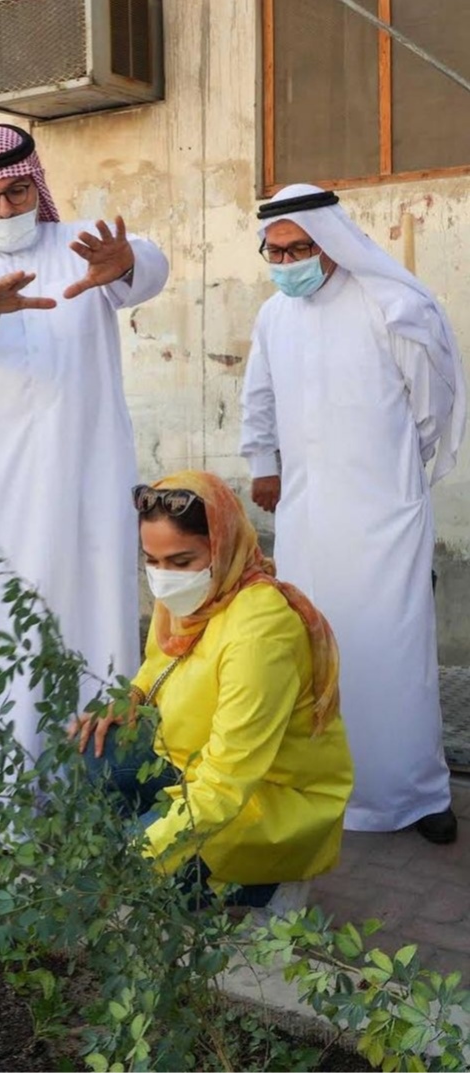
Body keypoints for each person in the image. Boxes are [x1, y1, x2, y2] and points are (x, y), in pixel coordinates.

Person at [0, 123, 169, 789]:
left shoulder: (79, 244)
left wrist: (129, 266)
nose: (2, 209)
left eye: (16, 191)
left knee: (93, 627)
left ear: (37, 185)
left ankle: (93, 793)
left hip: (85, 481)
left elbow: (143, 261)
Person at [240, 184, 466, 843]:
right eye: (272, 251)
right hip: (309, 517)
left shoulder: (393, 306)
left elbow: (434, 408)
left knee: (394, 651)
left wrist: (391, 473)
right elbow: (259, 396)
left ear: (330, 243)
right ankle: (327, 786)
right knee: (319, 649)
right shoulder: (274, 317)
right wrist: (263, 463)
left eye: (297, 249)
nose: (284, 262)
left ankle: (415, 793)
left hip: (384, 514)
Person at [73, 472, 353, 910]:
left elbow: (226, 781)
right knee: (97, 747)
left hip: (267, 797)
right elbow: (157, 664)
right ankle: (178, 872)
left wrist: (142, 854)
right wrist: (132, 697)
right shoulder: (192, 598)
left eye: (181, 562)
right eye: (152, 560)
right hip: (191, 760)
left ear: (222, 546)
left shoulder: (261, 629)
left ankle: (270, 883)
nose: (164, 578)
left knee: (136, 873)